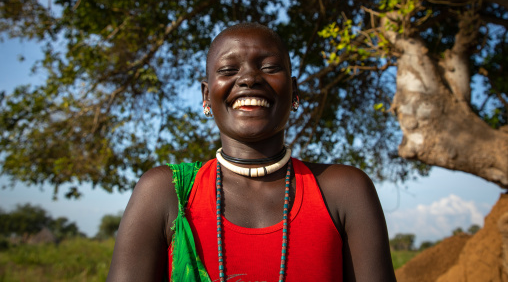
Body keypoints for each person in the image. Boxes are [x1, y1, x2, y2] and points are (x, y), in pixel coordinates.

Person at [107, 23, 396, 282]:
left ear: (294, 92)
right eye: (228, 70)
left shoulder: (345, 191)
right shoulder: (165, 193)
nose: (249, 79)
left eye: (269, 67)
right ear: (206, 96)